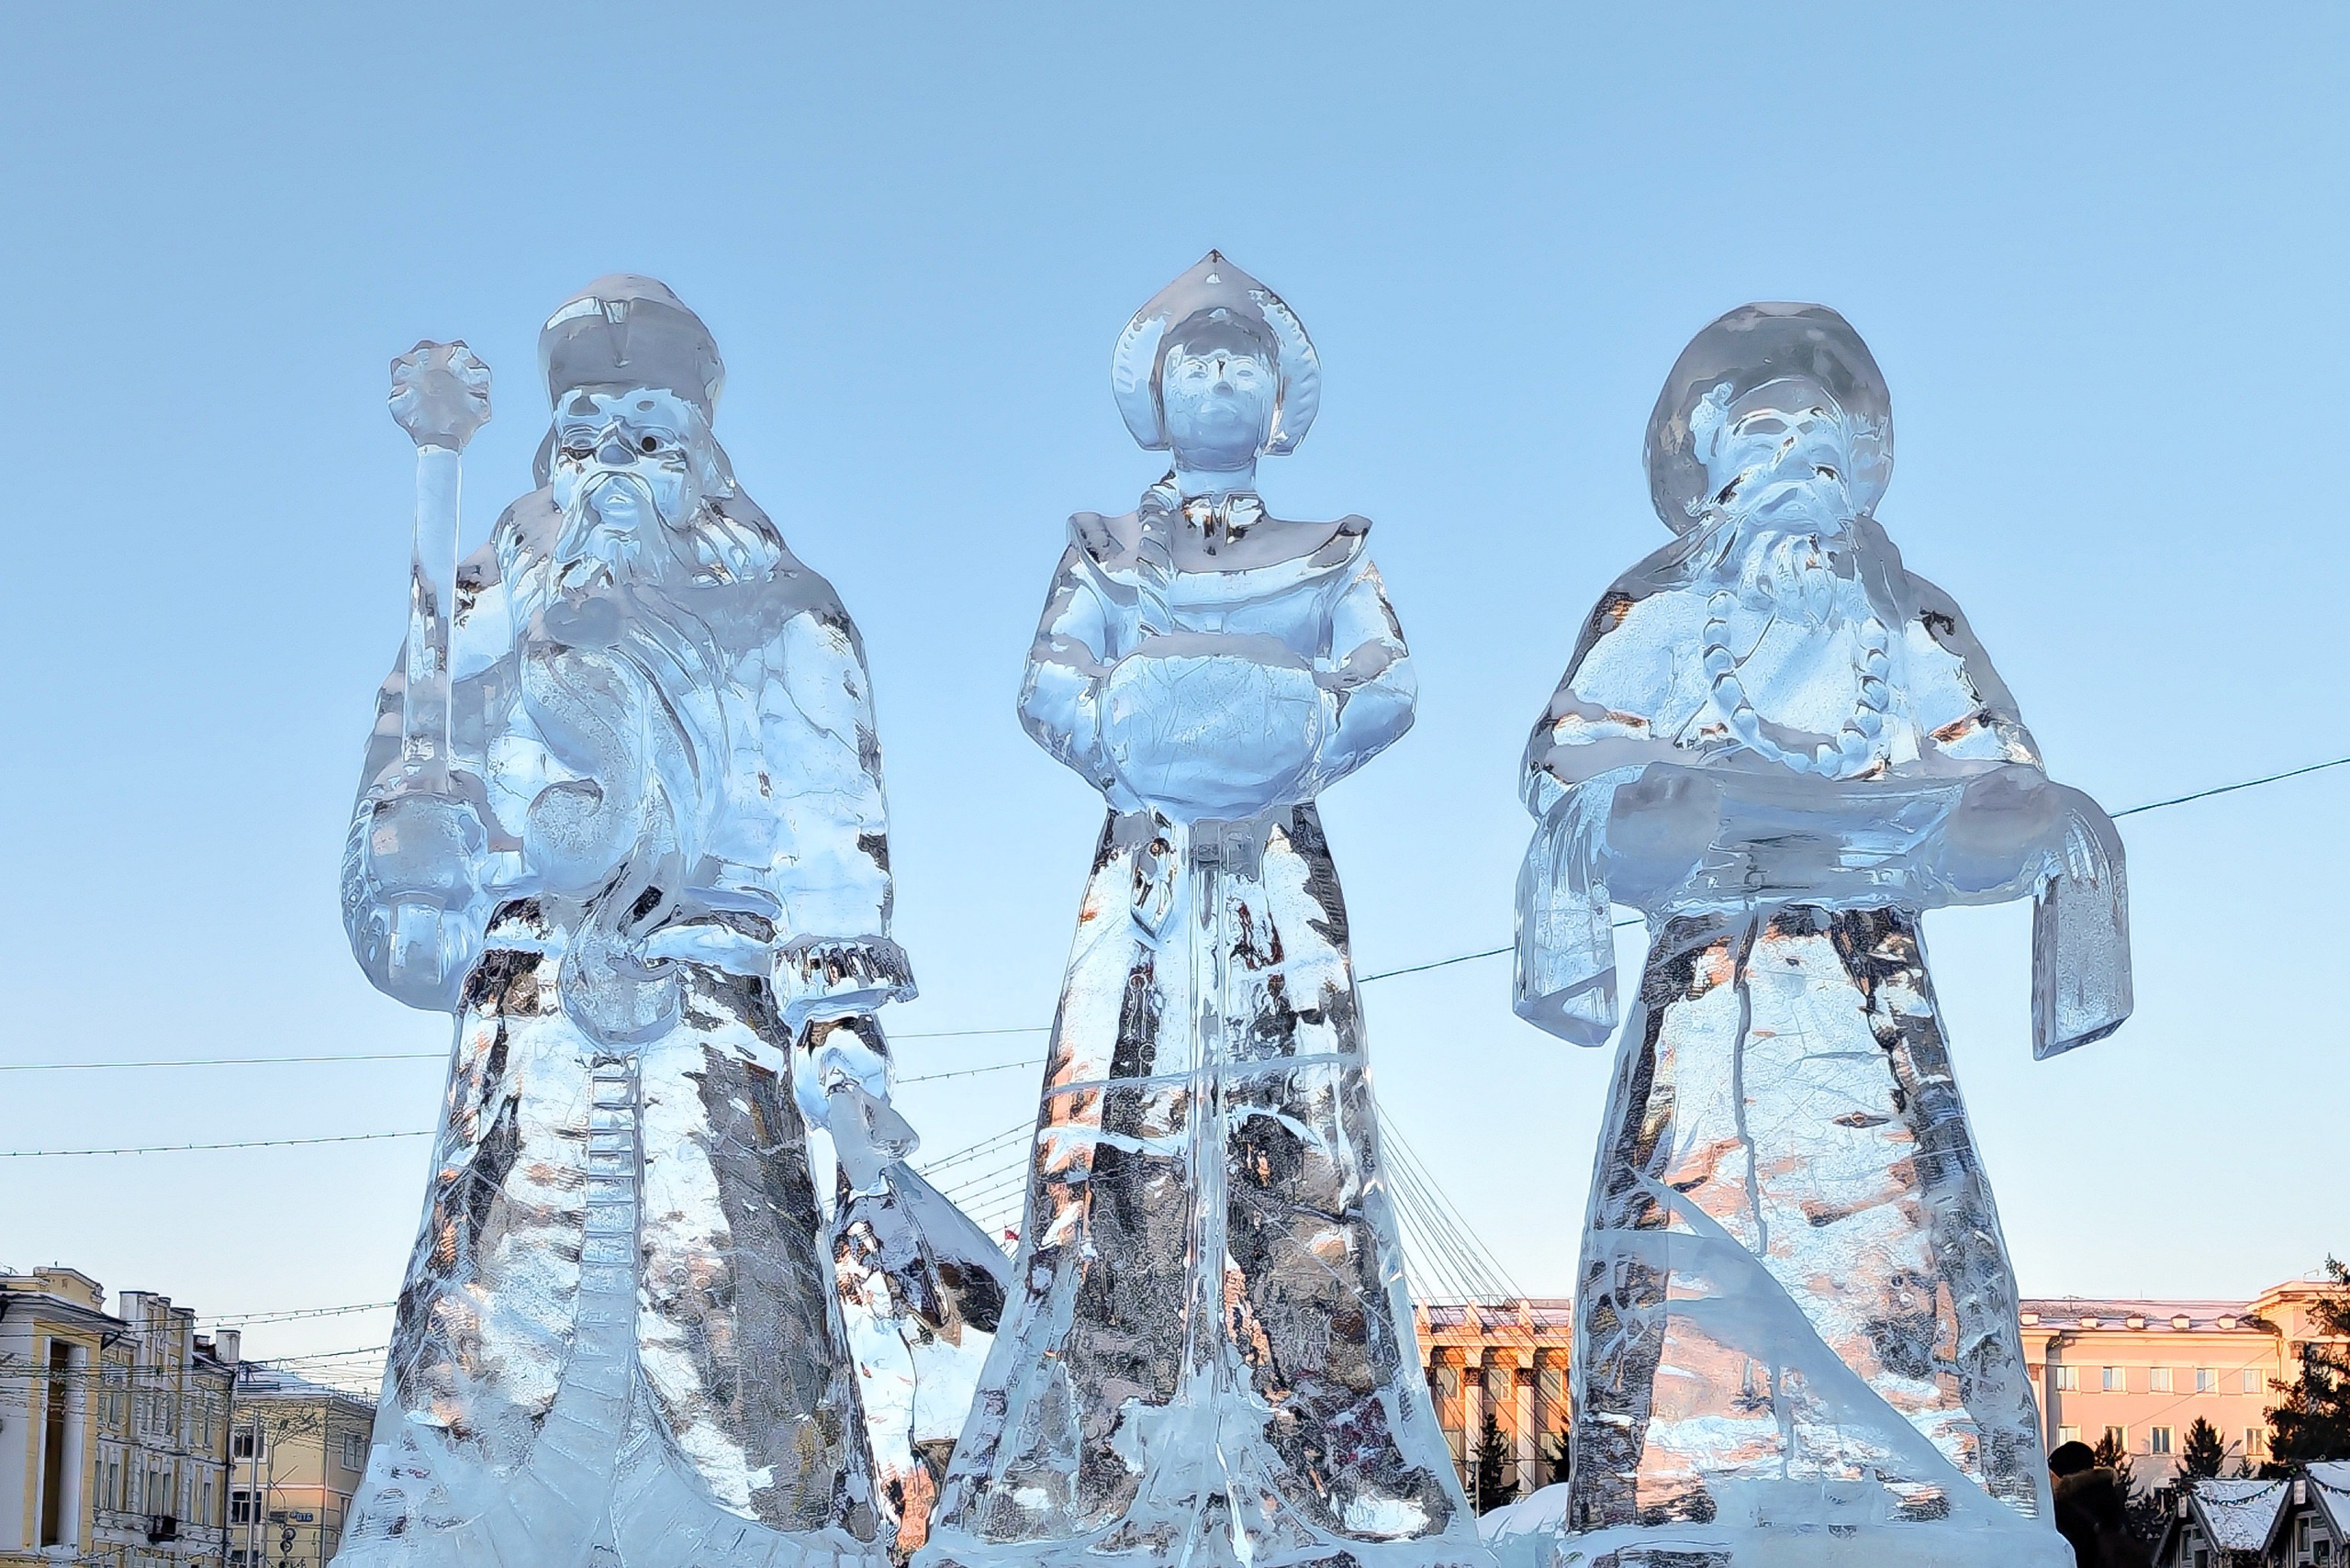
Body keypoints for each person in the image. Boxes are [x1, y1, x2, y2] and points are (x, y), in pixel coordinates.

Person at [337, 277, 1002, 1568]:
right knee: (479, 1443)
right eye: (587, 433)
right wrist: (411, 844)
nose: (614, 464)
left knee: (744, 1425)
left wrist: (851, 1079)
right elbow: (415, 897)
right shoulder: (482, 623)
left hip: (718, 1072)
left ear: (700, 446)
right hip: (530, 1069)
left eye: (646, 433)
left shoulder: (788, 621)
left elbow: (831, 858)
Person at [1505, 304, 2132, 1565]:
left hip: (1869, 993)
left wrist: (2013, 813)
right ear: (1707, 455)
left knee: (1900, 1242)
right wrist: (1658, 803)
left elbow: (1995, 769)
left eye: (1825, 426)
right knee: (1689, 1248)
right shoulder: (1661, 605)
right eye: (1767, 425)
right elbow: (1566, 754)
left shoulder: (1910, 616)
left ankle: (1928, 1506)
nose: (1800, 450)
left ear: (1867, 447)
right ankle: (1676, 1505)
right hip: (1709, 991)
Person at [918, 255, 1483, 1568]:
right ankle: (1087, 1469)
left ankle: (1333, 1460)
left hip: (1281, 865)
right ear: (1159, 399)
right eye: (1196, 365)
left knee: (1304, 1129)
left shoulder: (1332, 550)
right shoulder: (1106, 552)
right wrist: (1138, 741)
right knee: (1122, 1124)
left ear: (1278, 403)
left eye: (1243, 366)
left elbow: (1389, 681)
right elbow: (1048, 683)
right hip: (1148, 869)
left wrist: (1298, 733)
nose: (1221, 382)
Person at [2048, 1441, 2154, 1568]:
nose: (2049, 1482)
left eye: (2051, 1476)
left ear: (2062, 1478)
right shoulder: (2107, 1500)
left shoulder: (2065, 1511)